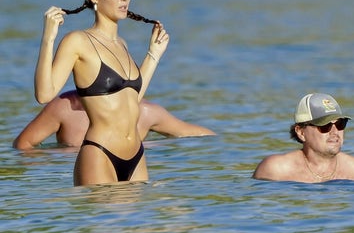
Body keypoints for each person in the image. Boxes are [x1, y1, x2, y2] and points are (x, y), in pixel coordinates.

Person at [35, 0, 169, 186]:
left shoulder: (122, 44)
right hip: (100, 153)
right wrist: (48, 38)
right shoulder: (77, 41)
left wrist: (153, 55)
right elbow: (44, 94)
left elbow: (131, 100)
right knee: (105, 221)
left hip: (137, 155)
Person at [13, 90, 216, 150]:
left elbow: (203, 136)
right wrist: (60, 159)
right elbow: (22, 146)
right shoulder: (65, 107)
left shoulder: (144, 112)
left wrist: (148, 146)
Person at [253, 93, 354, 183]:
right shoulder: (276, 169)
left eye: (340, 124)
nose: (335, 131)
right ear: (301, 132)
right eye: (325, 126)